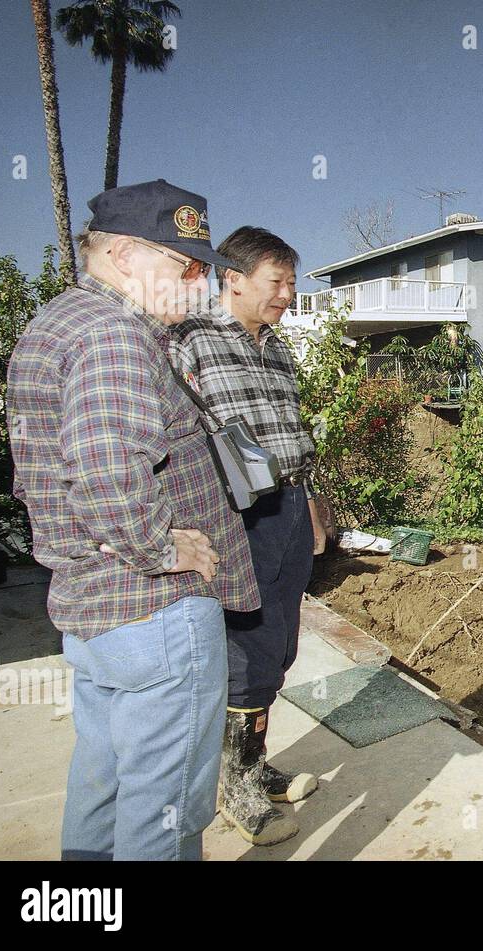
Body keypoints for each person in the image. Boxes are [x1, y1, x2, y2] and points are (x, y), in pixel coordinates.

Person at [6, 179, 260, 860]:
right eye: (186, 265)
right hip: (155, 612)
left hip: (97, 610)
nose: (201, 283)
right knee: (165, 815)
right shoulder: (116, 334)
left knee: (104, 784)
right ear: (122, 255)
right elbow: (109, 471)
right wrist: (165, 547)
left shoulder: (59, 323)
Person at [170, 227, 322, 846]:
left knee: (280, 646)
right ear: (232, 278)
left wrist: (310, 504)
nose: (288, 294)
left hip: (287, 507)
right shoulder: (190, 342)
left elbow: (289, 434)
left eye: (291, 282)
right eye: (275, 282)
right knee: (246, 651)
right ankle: (230, 785)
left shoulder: (278, 350)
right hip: (236, 517)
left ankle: (252, 766)